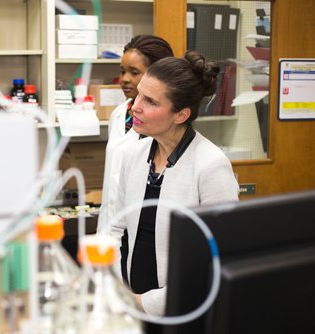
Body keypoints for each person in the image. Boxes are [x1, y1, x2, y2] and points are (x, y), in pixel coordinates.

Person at [110, 51, 240, 319]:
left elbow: (216, 260)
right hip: (128, 305)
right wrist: (116, 289)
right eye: (139, 95)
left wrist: (146, 303)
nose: (135, 106)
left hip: (181, 310)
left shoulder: (211, 166)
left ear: (180, 115)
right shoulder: (133, 154)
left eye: (150, 101)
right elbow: (116, 228)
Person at [97, 35, 174, 234]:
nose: (125, 79)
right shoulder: (118, 114)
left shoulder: (163, 123)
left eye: (134, 72)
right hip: (109, 229)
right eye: (122, 71)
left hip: (141, 233)